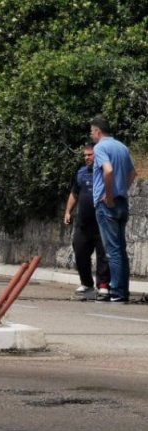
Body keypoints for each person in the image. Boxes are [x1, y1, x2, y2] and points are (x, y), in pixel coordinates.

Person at [90, 116, 137, 303]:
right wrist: (121, 190)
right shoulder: (122, 147)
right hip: (122, 202)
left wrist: (109, 196)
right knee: (121, 248)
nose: (92, 135)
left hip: (107, 205)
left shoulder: (100, 147)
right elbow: (133, 173)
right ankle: (123, 291)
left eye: (92, 132)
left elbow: (107, 170)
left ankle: (117, 291)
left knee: (113, 250)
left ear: (98, 131)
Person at [64, 144, 110, 299]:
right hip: (83, 223)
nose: (86, 158)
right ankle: (87, 284)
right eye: (85, 155)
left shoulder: (106, 172)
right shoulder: (81, 173)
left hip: (102, 223)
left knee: (103, 255)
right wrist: (67, 212)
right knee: (80, 251)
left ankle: (103, 286)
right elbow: (74, 193)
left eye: (90, 155)